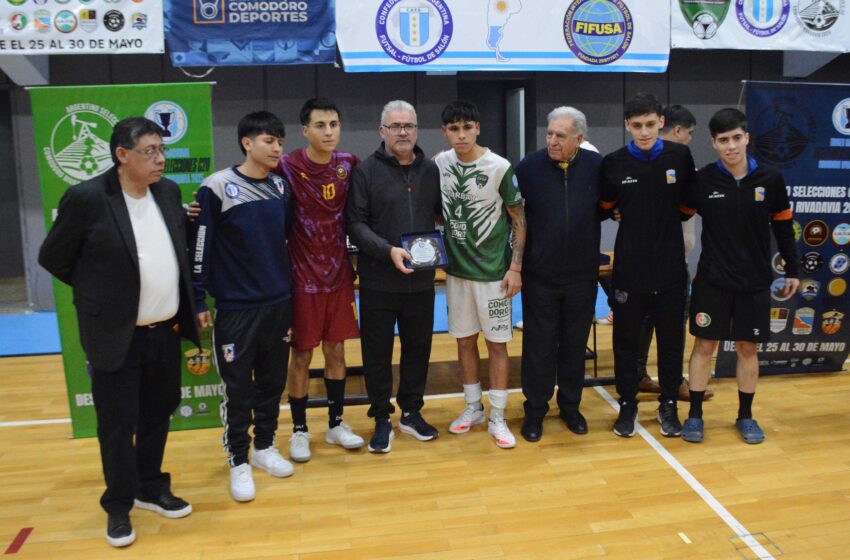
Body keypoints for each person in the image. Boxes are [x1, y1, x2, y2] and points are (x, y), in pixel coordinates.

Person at [39, 117, 200, 547]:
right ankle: (118, 504)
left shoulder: (167, 192)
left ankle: (150, 484)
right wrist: (103, 294)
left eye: (162, 150)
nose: (160, 159)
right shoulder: (87, 198)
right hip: (116, 334)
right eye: (150, 151)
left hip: (165, 330)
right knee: (116, 424)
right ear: (121, 155)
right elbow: (53, 257)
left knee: (157, 412)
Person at [192, 111, 294, 502]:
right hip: (235, 309)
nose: (276, 148)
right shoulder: (217, 187)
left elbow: (281, 239)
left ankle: (264, 446)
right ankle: (238, 459)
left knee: (271, 384)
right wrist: (199, 296)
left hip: (278, 303)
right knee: (238, 390)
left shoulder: (281, 188)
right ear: (247, 143)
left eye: (280, 142)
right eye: (269, 141)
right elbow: (200, 245)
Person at [680, 108, 799, 444]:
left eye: (736, 138)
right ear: (714, 143)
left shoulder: (771, 180)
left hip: (754, 282)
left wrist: (792, 268)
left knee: (748, 348)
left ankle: (745, 415)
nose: (730, 146)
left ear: (746, 138)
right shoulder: (702, 180)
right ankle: (695, 415)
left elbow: (783, 227)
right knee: (705, 345)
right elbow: (675, 214)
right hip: (712, 280)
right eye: (723, 140)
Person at [346, 100, 442, 453]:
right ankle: (381, 418)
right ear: (381, 131)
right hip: (378, 280)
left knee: (418, 350)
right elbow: (355, 224)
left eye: (409, 126)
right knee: (377, 353)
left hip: (420, 281)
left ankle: (411, 412)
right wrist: (387, 251)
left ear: (416, 130)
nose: (403, 132)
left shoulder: (431, 170)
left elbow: (440, 214)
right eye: (395, 126)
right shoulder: (365, 171)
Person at [600, 92, 696, 438]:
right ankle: (627, 404)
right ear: (627, 125)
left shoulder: (680, 156)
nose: (644, 132)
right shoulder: (613, 162)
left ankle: (668, 404)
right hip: (630, 268)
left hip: (671, 269)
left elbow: (689, 205)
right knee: (626, 343)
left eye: (650, 125)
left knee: (671, 342)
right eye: (637, 125)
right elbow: (605, 206)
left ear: (661, 123)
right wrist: (616, 211)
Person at [276, 98, 364, 463]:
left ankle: (335, 423)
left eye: (334, 124)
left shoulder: (349, 165)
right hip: (302, 278)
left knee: (337, 351)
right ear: (305, 130)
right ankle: (299, 430)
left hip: (340, 275)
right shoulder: (286, 166)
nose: (329, 132)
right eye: (321, 125)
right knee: (301, 355)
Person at [435, 100, 526, 449]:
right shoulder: (440, 164)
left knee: (497, 345)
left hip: (494, 274)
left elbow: (519, 218)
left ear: (477, 128)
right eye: (454, 129)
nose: (461, 135)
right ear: (445, 132)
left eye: (467, 127)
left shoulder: (499, 167)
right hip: (457, 274)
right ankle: (472, 407)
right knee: (463, 341)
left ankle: (498, 415)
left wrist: (515, 267)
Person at [516, 106, 604, 442]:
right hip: (540, 275)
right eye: (549, 133)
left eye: (560, 136)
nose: (552, 140)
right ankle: (535, 410)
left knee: (573, 344)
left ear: (579, 139)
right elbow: (515, 216)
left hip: (582, 275)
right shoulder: (529, 168)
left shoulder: (597, 167)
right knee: (538, 346)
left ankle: (570, 406)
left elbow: (612, 205)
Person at [634, 105, 714, 402]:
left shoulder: (682, 165)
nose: (690, 140)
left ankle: (650, 375)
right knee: (662, 324)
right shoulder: (643, 163)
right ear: (677, 130)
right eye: (690, 133)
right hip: (655, 258)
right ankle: (650, 376)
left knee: (660, 323)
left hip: (672, 257)